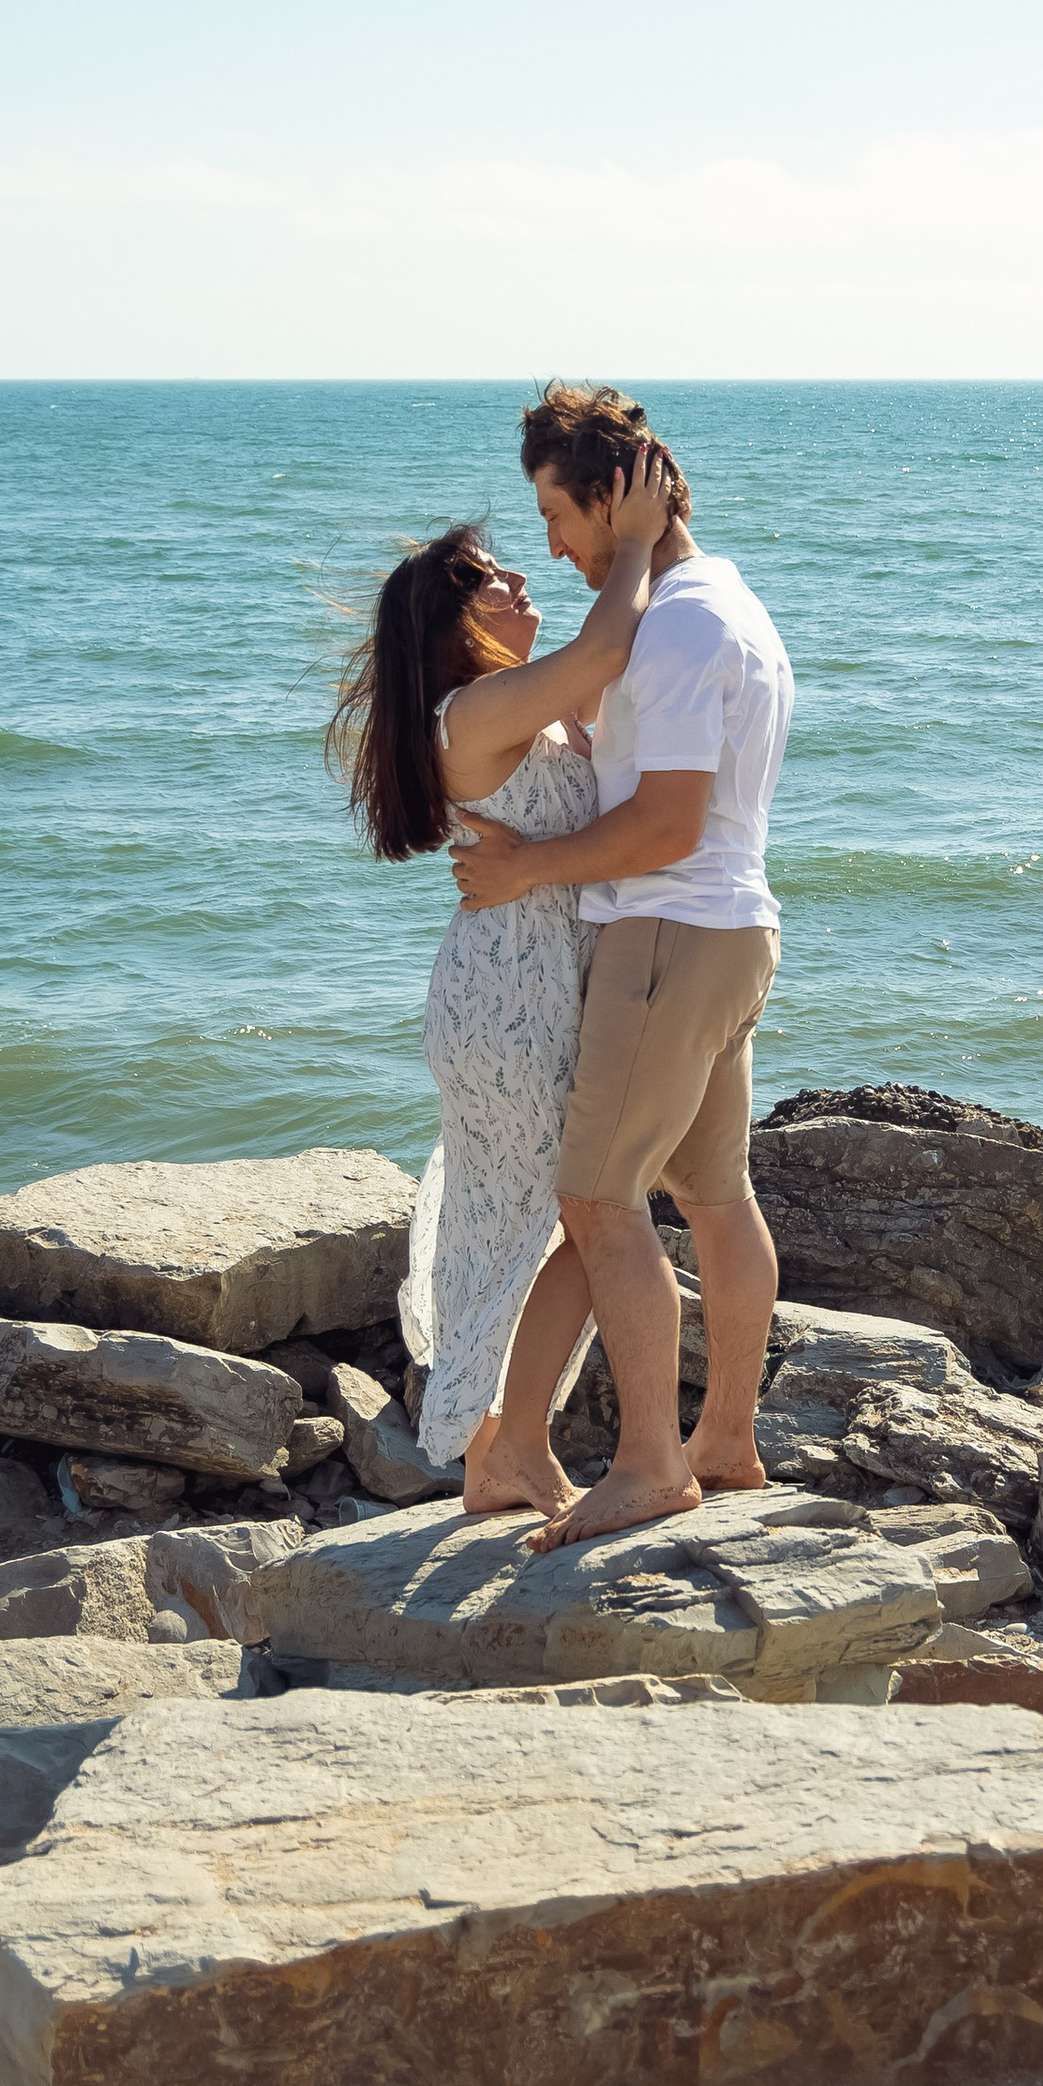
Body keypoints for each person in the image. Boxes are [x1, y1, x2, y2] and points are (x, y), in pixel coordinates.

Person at [448, 383, 794, 1546]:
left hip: (666, 933)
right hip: (733, 931)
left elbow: (664, 827)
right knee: (710, 1192)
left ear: (611, 496)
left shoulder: (685, 624)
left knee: (595, 1198)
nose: (549, 543)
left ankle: (650, 1463)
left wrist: (527, 868)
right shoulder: (724, 602)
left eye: (556, 513)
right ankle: (727, 1439)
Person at [325, 449, 674, 1514]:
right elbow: (610, 640)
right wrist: (642, 537)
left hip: (527, 995)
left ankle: (502, 1450)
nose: (519, 580)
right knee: (559, 1218)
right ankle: (502, 1445)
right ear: (452, 622)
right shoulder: (476, 718)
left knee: (534, 1223)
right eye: (490, 576)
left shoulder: (522, 709)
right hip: (508, 1007)